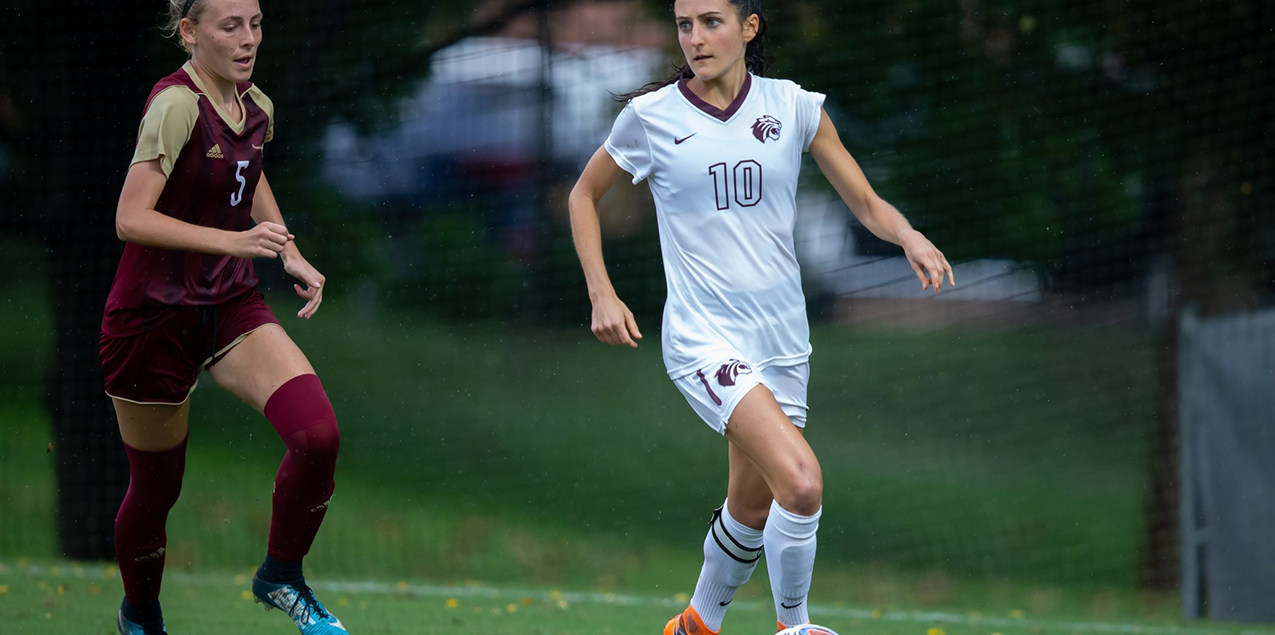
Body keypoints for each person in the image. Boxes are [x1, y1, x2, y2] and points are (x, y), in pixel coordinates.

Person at [568, 1, 955, 633]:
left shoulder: (795, 107)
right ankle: (794, 626)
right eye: (684, 24)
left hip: (782, 343)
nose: (695, 38)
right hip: (703, 340)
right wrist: (601, 293)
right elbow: (583, 194)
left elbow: (863, 198)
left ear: (749, 27)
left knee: (751, 505)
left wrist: (907, 235)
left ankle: (696, 622)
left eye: (712, 21)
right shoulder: (652, 117)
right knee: (801, 483)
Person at [100, 1, 346, 633]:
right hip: (151, 320)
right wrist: (234, 242)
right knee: (156, 491)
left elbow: (249, 175)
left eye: (256, 24)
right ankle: (141, 618)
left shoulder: (255, 104)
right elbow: (131, 219)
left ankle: (281, 578)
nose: (248, 39)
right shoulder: (177, 105)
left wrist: (287, 249)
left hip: (229, 304)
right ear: (190, 32)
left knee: (317, 436)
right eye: (229, 26)